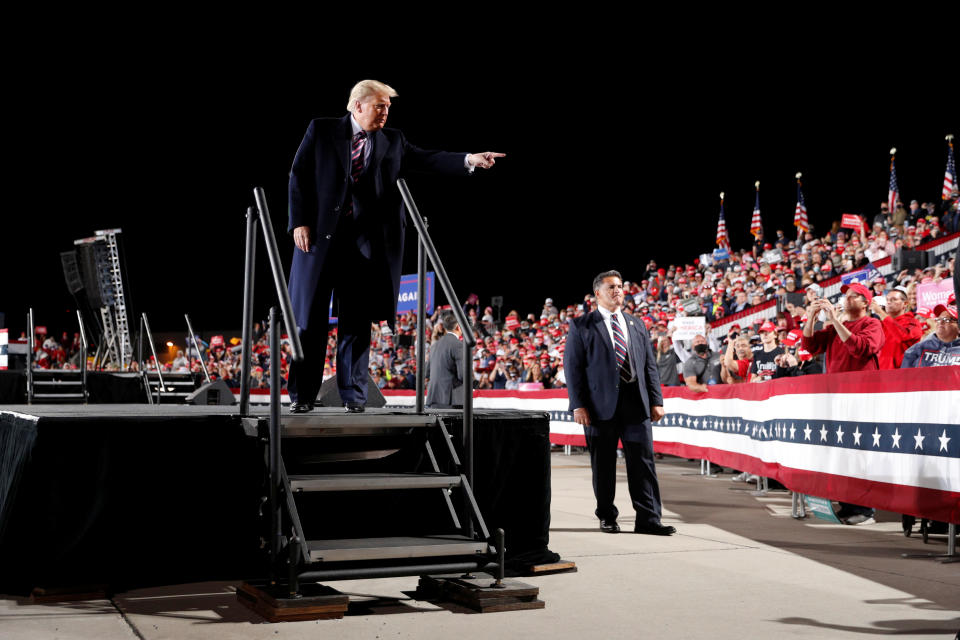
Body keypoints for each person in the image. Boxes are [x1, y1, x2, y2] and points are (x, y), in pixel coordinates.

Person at [286, 79, 504, 413]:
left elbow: (429, 160)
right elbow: (298, 175)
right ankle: (302, 396)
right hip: (319, 243)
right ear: (358, 105)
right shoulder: (322, 130)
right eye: (380, 106)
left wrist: (469, 160)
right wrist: (299, 221)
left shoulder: (393, 140)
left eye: (388, 107)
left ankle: (354, 396)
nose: (386, 113)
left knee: (357, 324)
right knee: (310, 322)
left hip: (365, 247)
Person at [564, 270, 673, 536]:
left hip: (636, 403)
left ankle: (648, 519)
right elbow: (573, 368)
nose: (618, 291)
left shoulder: (636, 324)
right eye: (612, 287)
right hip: (599, 407)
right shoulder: (582, 325)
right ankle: (607, 516)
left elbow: (649, 366)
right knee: (603, 465)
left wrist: (656, 400)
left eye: (621, 286)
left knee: (643, 463)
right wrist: (578, 405)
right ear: (598, 293)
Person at [802, 282, 884, 525]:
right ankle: (848, 505)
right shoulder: (837, 326)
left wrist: (835, 321)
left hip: (861, 397)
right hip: (837, 397)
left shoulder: (872, 324)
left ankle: (866, 510)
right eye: (846, 295)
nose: (847, 299)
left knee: (860, 454)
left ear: (865, 302)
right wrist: (811, 319)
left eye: (853, 296)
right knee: (842, 454)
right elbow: (809, 346)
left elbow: (861, 349)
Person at [870, 286, 922, 369]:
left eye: (893, 299)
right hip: (879, 376)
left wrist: (880, 312)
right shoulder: (880, 324)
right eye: (887, 300)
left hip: (902, 376)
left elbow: (902, 336)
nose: (889, 302)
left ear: (905, 303)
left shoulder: (913, 322)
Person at [425, 312, 466, 408]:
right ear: (458, 327)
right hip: (451, 399)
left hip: (433, 398)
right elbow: (462, 375)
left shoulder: (434, 345)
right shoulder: (458, 344)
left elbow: (427, 373)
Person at [901, 303, 960, 368]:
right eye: (939, 319)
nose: (940, 322)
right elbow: (904, 376)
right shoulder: (917, 349)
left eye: (947, 320)